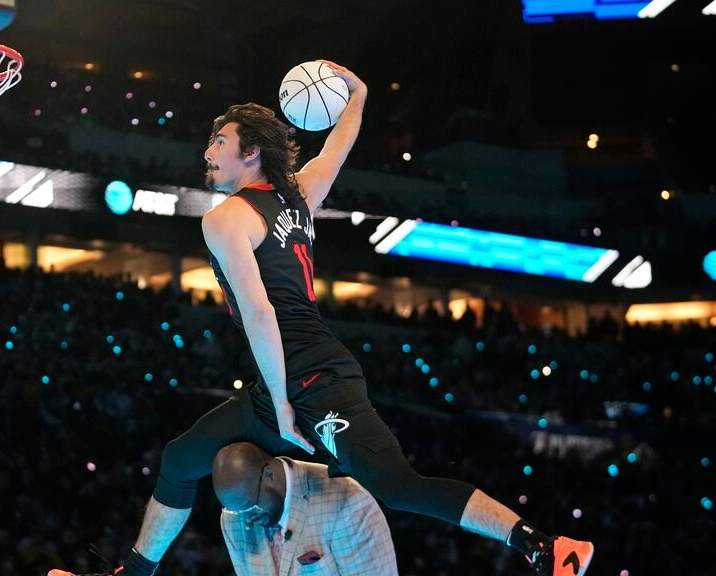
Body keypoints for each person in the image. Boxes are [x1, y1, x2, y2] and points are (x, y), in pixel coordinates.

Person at [50, 60, 593, 576]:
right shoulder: (299, 196)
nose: (208, 151)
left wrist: (283, 405)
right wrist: (357, 95)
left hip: (312, 379)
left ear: (252, 155)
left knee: (397, 485)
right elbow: (338, 147)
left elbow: (261, 314)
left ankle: (543, 546)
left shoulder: (225, 219)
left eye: (220, 142)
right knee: (181, 458)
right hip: (282, 379)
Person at [213, 442, 397, 576]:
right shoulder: (233, 518)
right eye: (236, 511)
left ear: (269, 474)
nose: (248, 518)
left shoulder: (346, 501)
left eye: (250, 506)